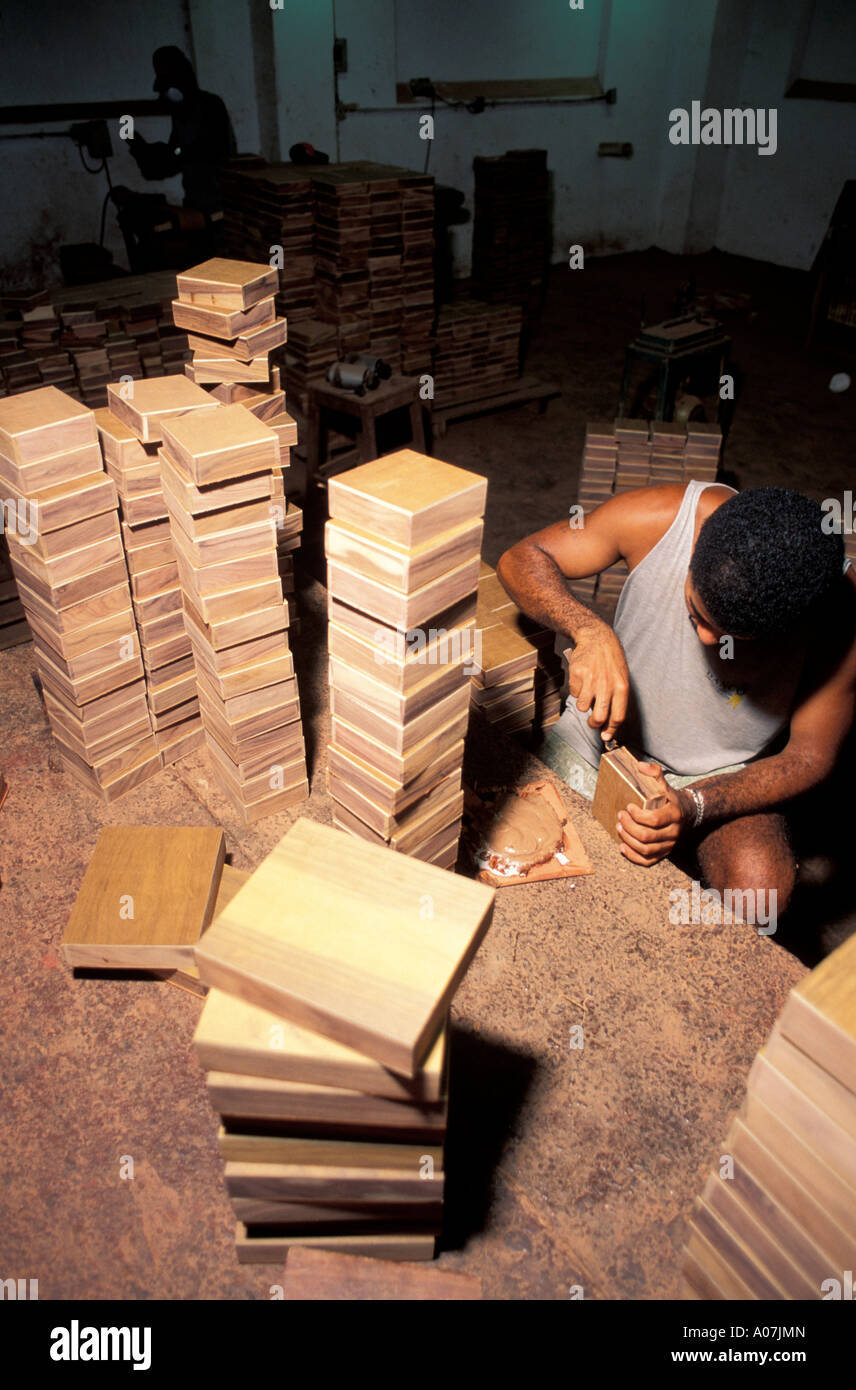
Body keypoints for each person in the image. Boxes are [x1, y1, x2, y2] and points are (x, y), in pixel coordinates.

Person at [496, 481, 856, 913]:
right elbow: (522, 557)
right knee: (510, 851)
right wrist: (589, 629)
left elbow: (808, 757)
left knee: (760, 893)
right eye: (695, 613)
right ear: (696, 547)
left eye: (733, 637)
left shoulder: (841, 616)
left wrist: (694, 806)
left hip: (717, 775)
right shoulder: (663, 518)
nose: (706, 638)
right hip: (597, 744)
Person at [128, 46, 235, 216]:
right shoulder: (181, 115)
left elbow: (210, 151)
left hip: (220, 206)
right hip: (196, 203)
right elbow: (173, 160)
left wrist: (173, 153)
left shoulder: (211, 105)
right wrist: (142, 150)